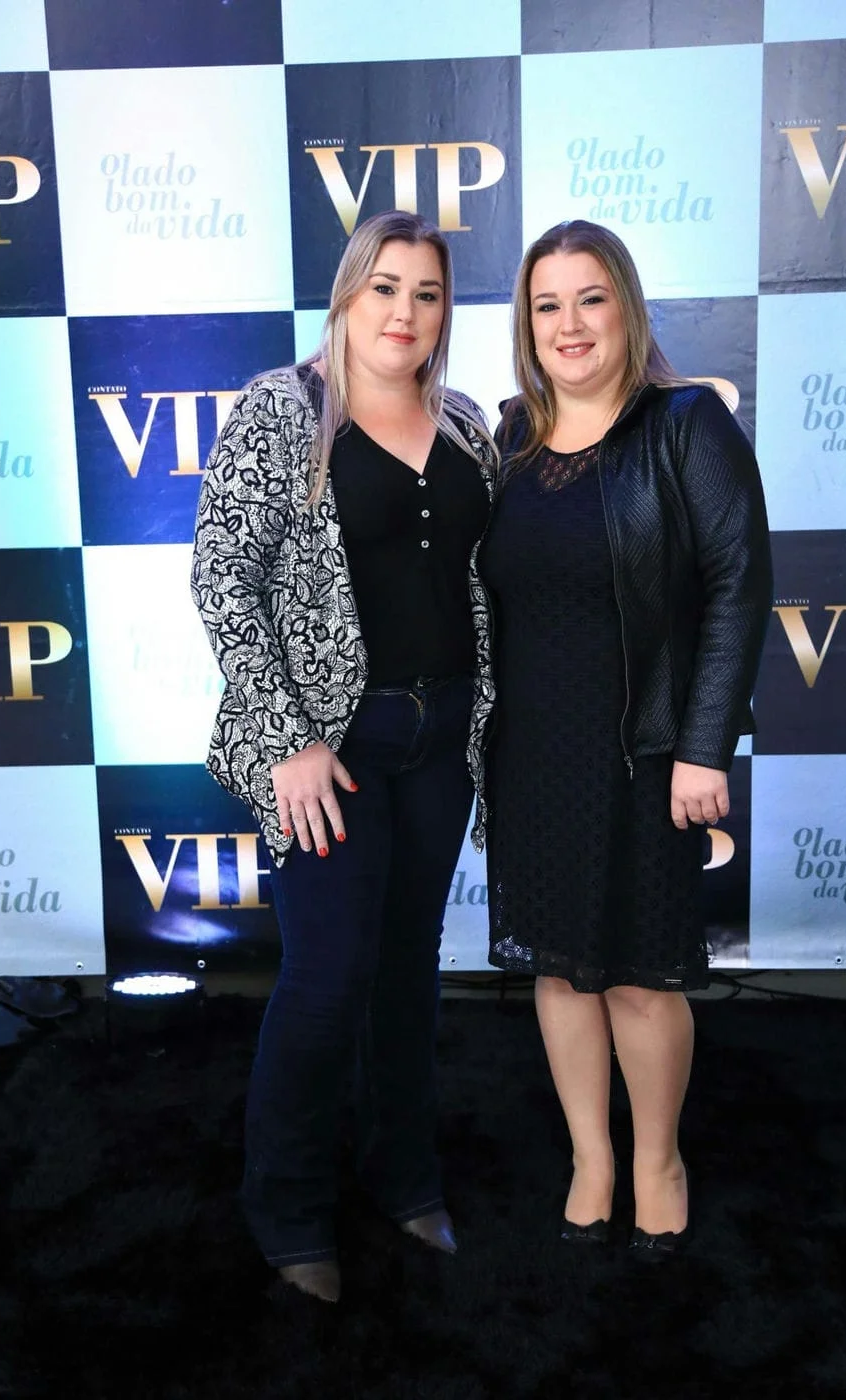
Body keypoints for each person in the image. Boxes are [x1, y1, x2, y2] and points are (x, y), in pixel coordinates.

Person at [191, 211, 497, 1302]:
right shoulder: (282, 410)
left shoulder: (466, 423)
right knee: (326, 980)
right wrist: (289, 742)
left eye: (427, 293)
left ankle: (403, 1176)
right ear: (347, 295)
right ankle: (284, 1208)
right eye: (385, 288)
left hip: (442, 739)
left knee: (408, 972)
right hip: (329, 750)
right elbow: (222, 577)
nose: (405, 312)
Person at [479, 220, 772, 1258]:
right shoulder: (508, 439)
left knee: (643, 975)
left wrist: (704, 746)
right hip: (532, 754)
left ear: (627, 308)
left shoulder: (685, 423)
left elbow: (739, 584)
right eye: (547, 304)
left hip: (648, 755)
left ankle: (658, 1161)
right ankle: (590, 1159)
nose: (570, 324)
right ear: (528, 323)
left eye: (590, 298)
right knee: (561, 968)